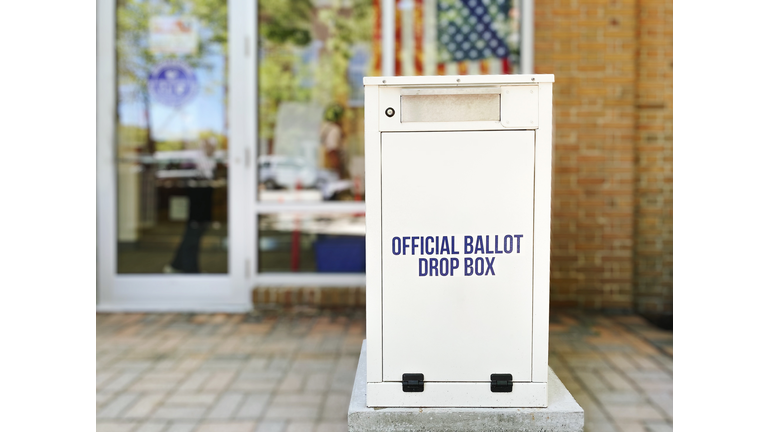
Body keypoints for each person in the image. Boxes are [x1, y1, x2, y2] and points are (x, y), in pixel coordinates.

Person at [164, 137, 217, 273]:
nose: (212, 149)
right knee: (192, 236)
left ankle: (176, 265)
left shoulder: (210, 162)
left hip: (203, 208)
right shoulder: (192, 162)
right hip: (197, 208)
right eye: (209, 146)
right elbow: (189, 182)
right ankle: (190, 269)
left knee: (193, 236)